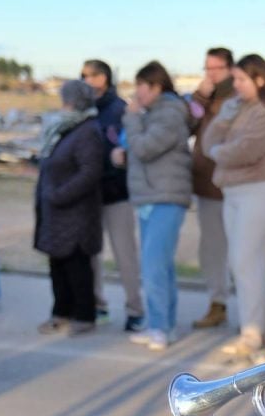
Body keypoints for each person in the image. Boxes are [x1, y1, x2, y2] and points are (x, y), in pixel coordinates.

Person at [201, 53, 265, 359]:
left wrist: (219, 151)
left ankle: (252, 333)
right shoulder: (238, 108)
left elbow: (245, 151)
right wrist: (224, 118)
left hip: (260, 190)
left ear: (259, 79)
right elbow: (207, 142)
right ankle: (260, 328)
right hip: (234, 191)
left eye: (241, 79)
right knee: (247, 261)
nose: (236, 85)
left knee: (241, 259)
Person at [121, 60, 192, 351]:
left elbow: (144, 147)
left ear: (155, 86)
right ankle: (163, 325)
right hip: (150, 196)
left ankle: (160, 328)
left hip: (165, 196)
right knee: (160, 266)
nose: (136, 93)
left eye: (140, 86)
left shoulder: (170, 113)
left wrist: (132, 119)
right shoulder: (155, 113)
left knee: (153, 266)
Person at [33, 81, 105, 337]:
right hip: (57, 212)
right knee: (58, 265)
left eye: (65, 99)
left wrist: (60, 195)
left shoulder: (87, 131)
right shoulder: (65, 128)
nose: (61, 105)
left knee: (77, 266)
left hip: (75, 212)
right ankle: (61, 312)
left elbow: (91, 172)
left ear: (74, 102)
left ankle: (84, 315)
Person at [81, 59, 145, 332]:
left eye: (92, 75)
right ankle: (97, 305)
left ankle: (135, 309)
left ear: (104, 77)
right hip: (90, 195)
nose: (87, 80)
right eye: (83, 75)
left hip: (118, 193)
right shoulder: (84, 110)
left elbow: (131, 147)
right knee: (91, 255)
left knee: (125, 255)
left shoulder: (119, 109)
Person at [187, 47, 235, 331]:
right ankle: (217, 303)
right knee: (211, 248)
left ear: (229, 68)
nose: (210, 74)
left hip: (228, 184)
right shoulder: (205, 95)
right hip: (205, 185)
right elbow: (187, 125)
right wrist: (200, 96)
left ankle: (248, 317)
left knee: (235, 250)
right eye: (207, 68)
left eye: (216, 68)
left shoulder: (234, 96)